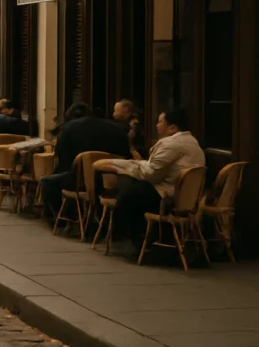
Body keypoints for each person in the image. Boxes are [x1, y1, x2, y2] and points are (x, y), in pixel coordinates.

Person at [97, 108, 205, 249]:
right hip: (186, 198)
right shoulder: (193, 143)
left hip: (168, 197)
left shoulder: (171, 144)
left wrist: (125, 166)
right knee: (134, 190)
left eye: (160, 122)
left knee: (130, 193)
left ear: (172, 127)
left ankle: (131, 237)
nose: (156, 125)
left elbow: (151, 174)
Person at [39, 102, 131, 221]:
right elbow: (125, 155)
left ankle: (60, 219)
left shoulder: (69, 128)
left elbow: (62, 156)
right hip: (111, 181)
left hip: (79, 180)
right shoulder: (116, 129)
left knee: (46, 181)